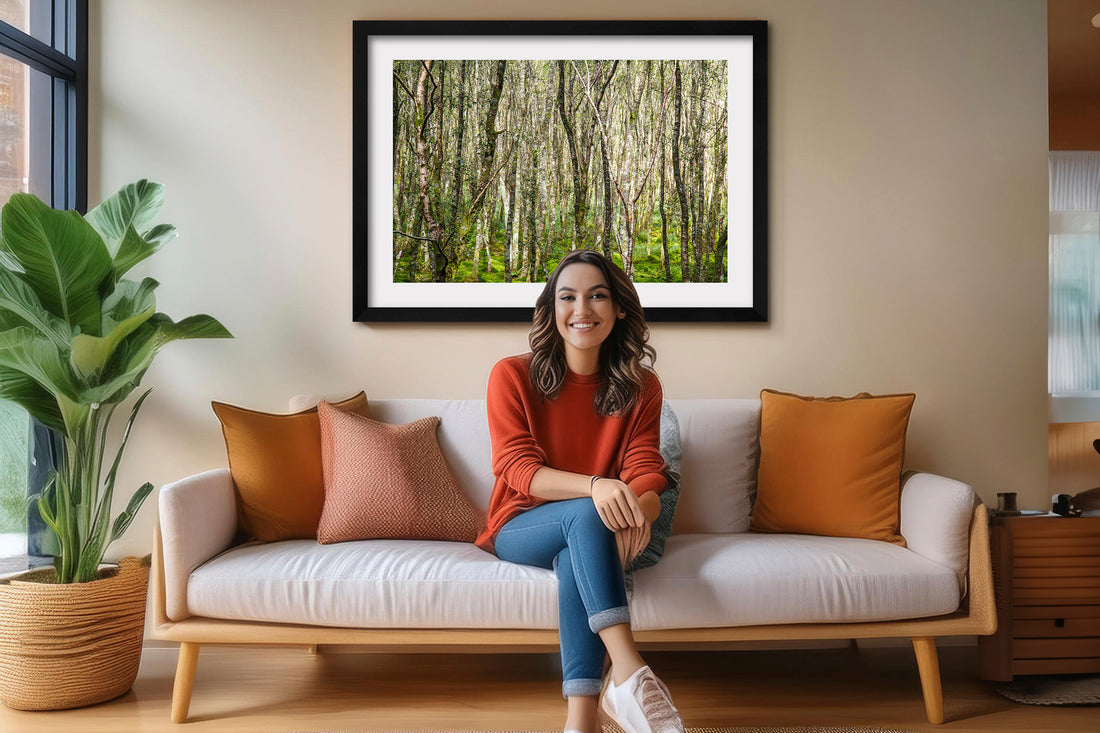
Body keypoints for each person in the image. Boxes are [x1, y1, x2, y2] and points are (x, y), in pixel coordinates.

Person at [473, 250, 683, 733]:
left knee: (578, 551)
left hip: (593, 530)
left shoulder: (641, 386)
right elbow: (516, 467)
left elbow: (648, 472)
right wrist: (599, 488)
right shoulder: (512, 375)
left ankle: (581, 720)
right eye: (567, 297)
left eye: (597, 296)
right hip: (519, 525)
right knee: (587, 515)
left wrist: (637, 514)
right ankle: (630, 673)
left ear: (619, 309)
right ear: (551, 310)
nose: (582, 309)